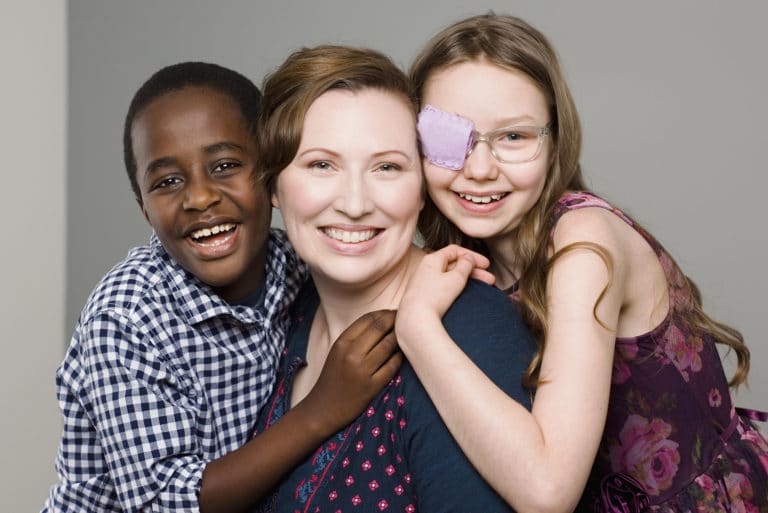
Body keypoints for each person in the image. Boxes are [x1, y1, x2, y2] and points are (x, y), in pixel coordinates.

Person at [394, 13, 768, 513]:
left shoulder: (582, 245)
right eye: (448, 138)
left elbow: (546, 493)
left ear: (555, 139)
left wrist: (418, 329)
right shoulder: (467, 255)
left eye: (513, 138)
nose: (479, 169)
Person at [43, 61, 402, 513]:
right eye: (168, 182)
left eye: (225, 165)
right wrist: (321, 410)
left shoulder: (293, 261)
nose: (200, 198)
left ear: (271, 176)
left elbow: (377, 264)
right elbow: (169, 504)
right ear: (144, 209)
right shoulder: (126, 320)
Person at [249, 44, 535, 512]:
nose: (356, 203)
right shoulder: (284, 311)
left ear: (423, 188)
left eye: (387, 167)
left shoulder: (468, 331)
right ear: (273, 185)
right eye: (322, 165)